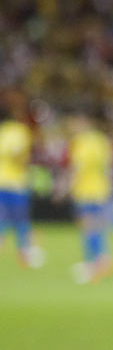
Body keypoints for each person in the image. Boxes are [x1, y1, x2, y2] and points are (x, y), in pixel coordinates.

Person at [65, 112, 113, 283]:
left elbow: (77, 168)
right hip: (101, 189)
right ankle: (103, 259)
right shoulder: (101, 140)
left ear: (82, 121)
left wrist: (68, 186)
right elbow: (106, 166)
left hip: (85, 191)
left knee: (87, 228)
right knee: (98, 228)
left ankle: (91, 264)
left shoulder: (79, 142)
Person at [0, 92, 44, 269]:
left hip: (1, 182)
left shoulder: (2, 131)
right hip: (16, 184)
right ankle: (23, 255)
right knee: (21, 221)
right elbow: (21, 158)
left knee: (2, 220)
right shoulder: (21, 131)